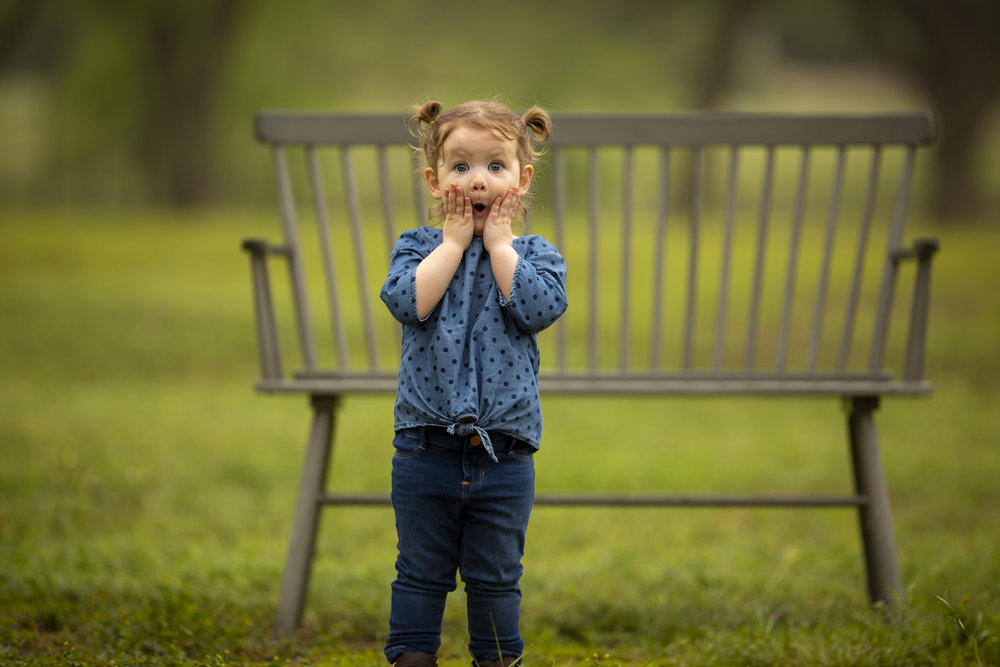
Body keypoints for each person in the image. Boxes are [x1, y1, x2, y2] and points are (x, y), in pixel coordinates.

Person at [380, 99, 568, 667]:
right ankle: (413, 656)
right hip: (424, 447)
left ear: (521, 179)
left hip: (504, 454)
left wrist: (499, 246)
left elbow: (538, 309)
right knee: (419, 570)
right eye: (460, 168)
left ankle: (496, 658)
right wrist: (455, 245)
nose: (477, 181)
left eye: (494, 166)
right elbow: (408, 302)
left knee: (495, 576)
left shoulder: (535, 255)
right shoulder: (419, 248)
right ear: (436, 182)